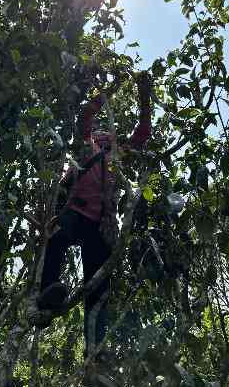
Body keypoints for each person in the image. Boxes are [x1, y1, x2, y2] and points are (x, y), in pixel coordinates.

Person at [35, 73, 152, 363]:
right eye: (101, 136)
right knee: (57, 238)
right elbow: (86, 114)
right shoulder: (88, 145)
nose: (104, 138)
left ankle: (95, 350)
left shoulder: (118, 155)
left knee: (98, 286)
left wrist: (145, 99)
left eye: (107, 136)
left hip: (101, 222)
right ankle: (47, 293)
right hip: (75, 208)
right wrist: (110, 90)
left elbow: (142, 134)